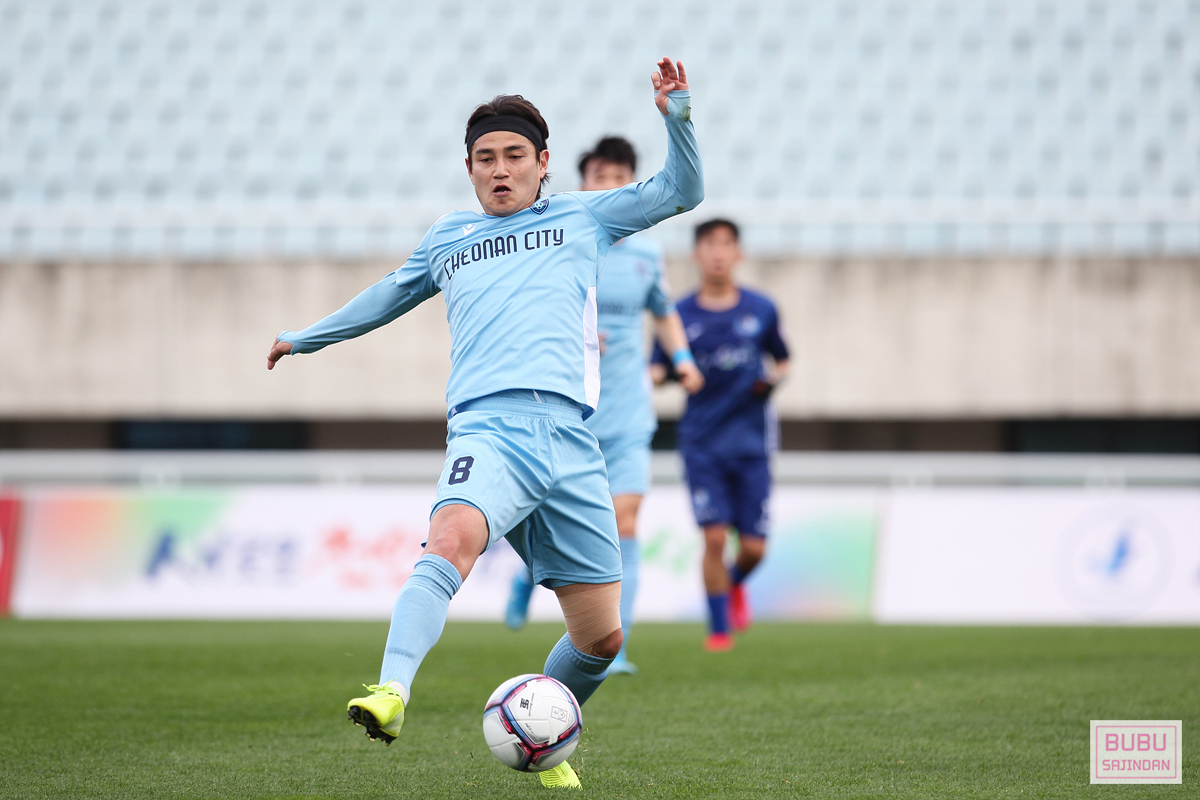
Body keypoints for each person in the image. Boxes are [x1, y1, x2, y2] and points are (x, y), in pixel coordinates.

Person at [267, 58, 701, 789]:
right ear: (468, 168)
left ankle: (543, 739)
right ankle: (391, 691)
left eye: (515, 156)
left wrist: (678, 120)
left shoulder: (582, 216)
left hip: (573, 440)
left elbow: (681, 192)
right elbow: (387, 295)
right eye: (486, 159)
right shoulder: (449, 237)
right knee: (450, 540)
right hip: (490, 431)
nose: (501, 170)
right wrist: (305, 337)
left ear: (543, 163)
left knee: (600, 638)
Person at [504, 136, 704, 677]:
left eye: (620, 178)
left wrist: (682, 358)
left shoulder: (646, 255)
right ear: (583, 183)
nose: (609, 186)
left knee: (625, 520)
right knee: (543, 515)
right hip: (569, 410)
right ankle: (526, 575)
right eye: (600, 177)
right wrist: (580, 337)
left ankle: (618, 643)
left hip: (629, 414)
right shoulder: (560, 243)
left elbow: (663, 312)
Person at [651, 219, 788, 653]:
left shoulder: (762, 309)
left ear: (738, 253)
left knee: (754, 549)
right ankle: (718, 630)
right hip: (702, 443)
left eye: (726, 244)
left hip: (751, 444)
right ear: (697, 254)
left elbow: (783, 360)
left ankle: (732, 584)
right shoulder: (678, 314)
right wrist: (672, 373)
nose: (717, 253)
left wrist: (772, 380)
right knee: (713, 537)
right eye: (709, 244)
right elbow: (656, 370)